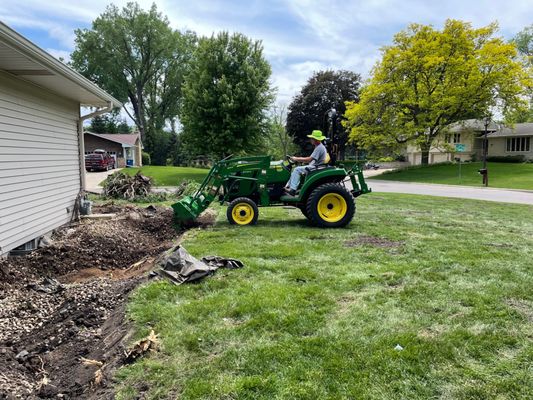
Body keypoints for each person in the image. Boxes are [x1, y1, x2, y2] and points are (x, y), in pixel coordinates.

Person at [285, 130, 327, 195]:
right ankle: (288, 187)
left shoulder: (319, 148)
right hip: (316, 166)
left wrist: (296, 159)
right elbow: (311, 159)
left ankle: (292, 189)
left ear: (315, 139)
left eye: (312, 138)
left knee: (296, 169)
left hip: (316, 167)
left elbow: (309, 159)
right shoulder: (319, 147)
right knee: (297, 169)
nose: (310, 140)